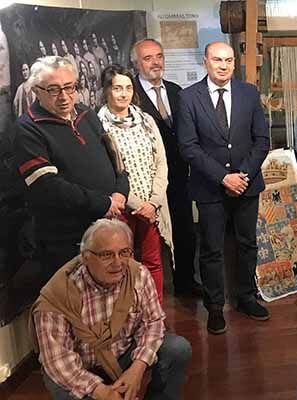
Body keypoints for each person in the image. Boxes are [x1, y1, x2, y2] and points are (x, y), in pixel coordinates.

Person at [31, 219, 191, 400]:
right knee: (60, 383)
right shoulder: (57, 296)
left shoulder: (138, 274)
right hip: (82, 369)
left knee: (177, 348)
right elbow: (57, 361)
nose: (118, 262)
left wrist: (137, 368)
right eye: (106, 255)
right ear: (85, 257)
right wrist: (102, 392)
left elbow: (153, 323)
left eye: (124, 252)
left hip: (123, 356)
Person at [175, 41, 270, 334]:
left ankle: (246, 297)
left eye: (229, 60)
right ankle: (215, 307)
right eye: (217, 59)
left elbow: (261, 140)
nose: (224, 65)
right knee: (212, 249)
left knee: (247, 244)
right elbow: (188, 147)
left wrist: (242, 176)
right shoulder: (188, 97)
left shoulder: (248, 93)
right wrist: (223, 178)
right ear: (205, 61)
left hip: (247, 184)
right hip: (209, 188)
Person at [14, 56, 129, 283]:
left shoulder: (86, 113)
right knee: (73, 307)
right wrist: (104, 203)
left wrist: (120, 191)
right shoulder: (28, 128)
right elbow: (46, 187)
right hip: (66, 240)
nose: (64, 96)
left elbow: (116, 157)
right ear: (36, 90)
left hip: (108, 227)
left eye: (69, 87)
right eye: (54, 89)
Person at [97, 64, 173, 304]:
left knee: (153, 262)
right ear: (107, 90)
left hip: (152, 207)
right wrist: (137, 204)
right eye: (117, 88)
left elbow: (161, 162)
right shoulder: (98, 125)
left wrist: (153, 202)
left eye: (128, 87)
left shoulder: (146, 120)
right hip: (121, 207)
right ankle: (127, 316)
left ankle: (155, 314)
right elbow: (107, 172)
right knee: (121, 265)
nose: (123, 93)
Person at [132, 38, 200, 297]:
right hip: (147, 180)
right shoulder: (132, 95)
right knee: (147, 236)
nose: (155, 62)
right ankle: (145, 292)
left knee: (184, 229)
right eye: (148, 58)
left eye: (159, 56)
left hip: (180, 175)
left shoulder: (176, 91)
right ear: (136, 63)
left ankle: (185, 281)